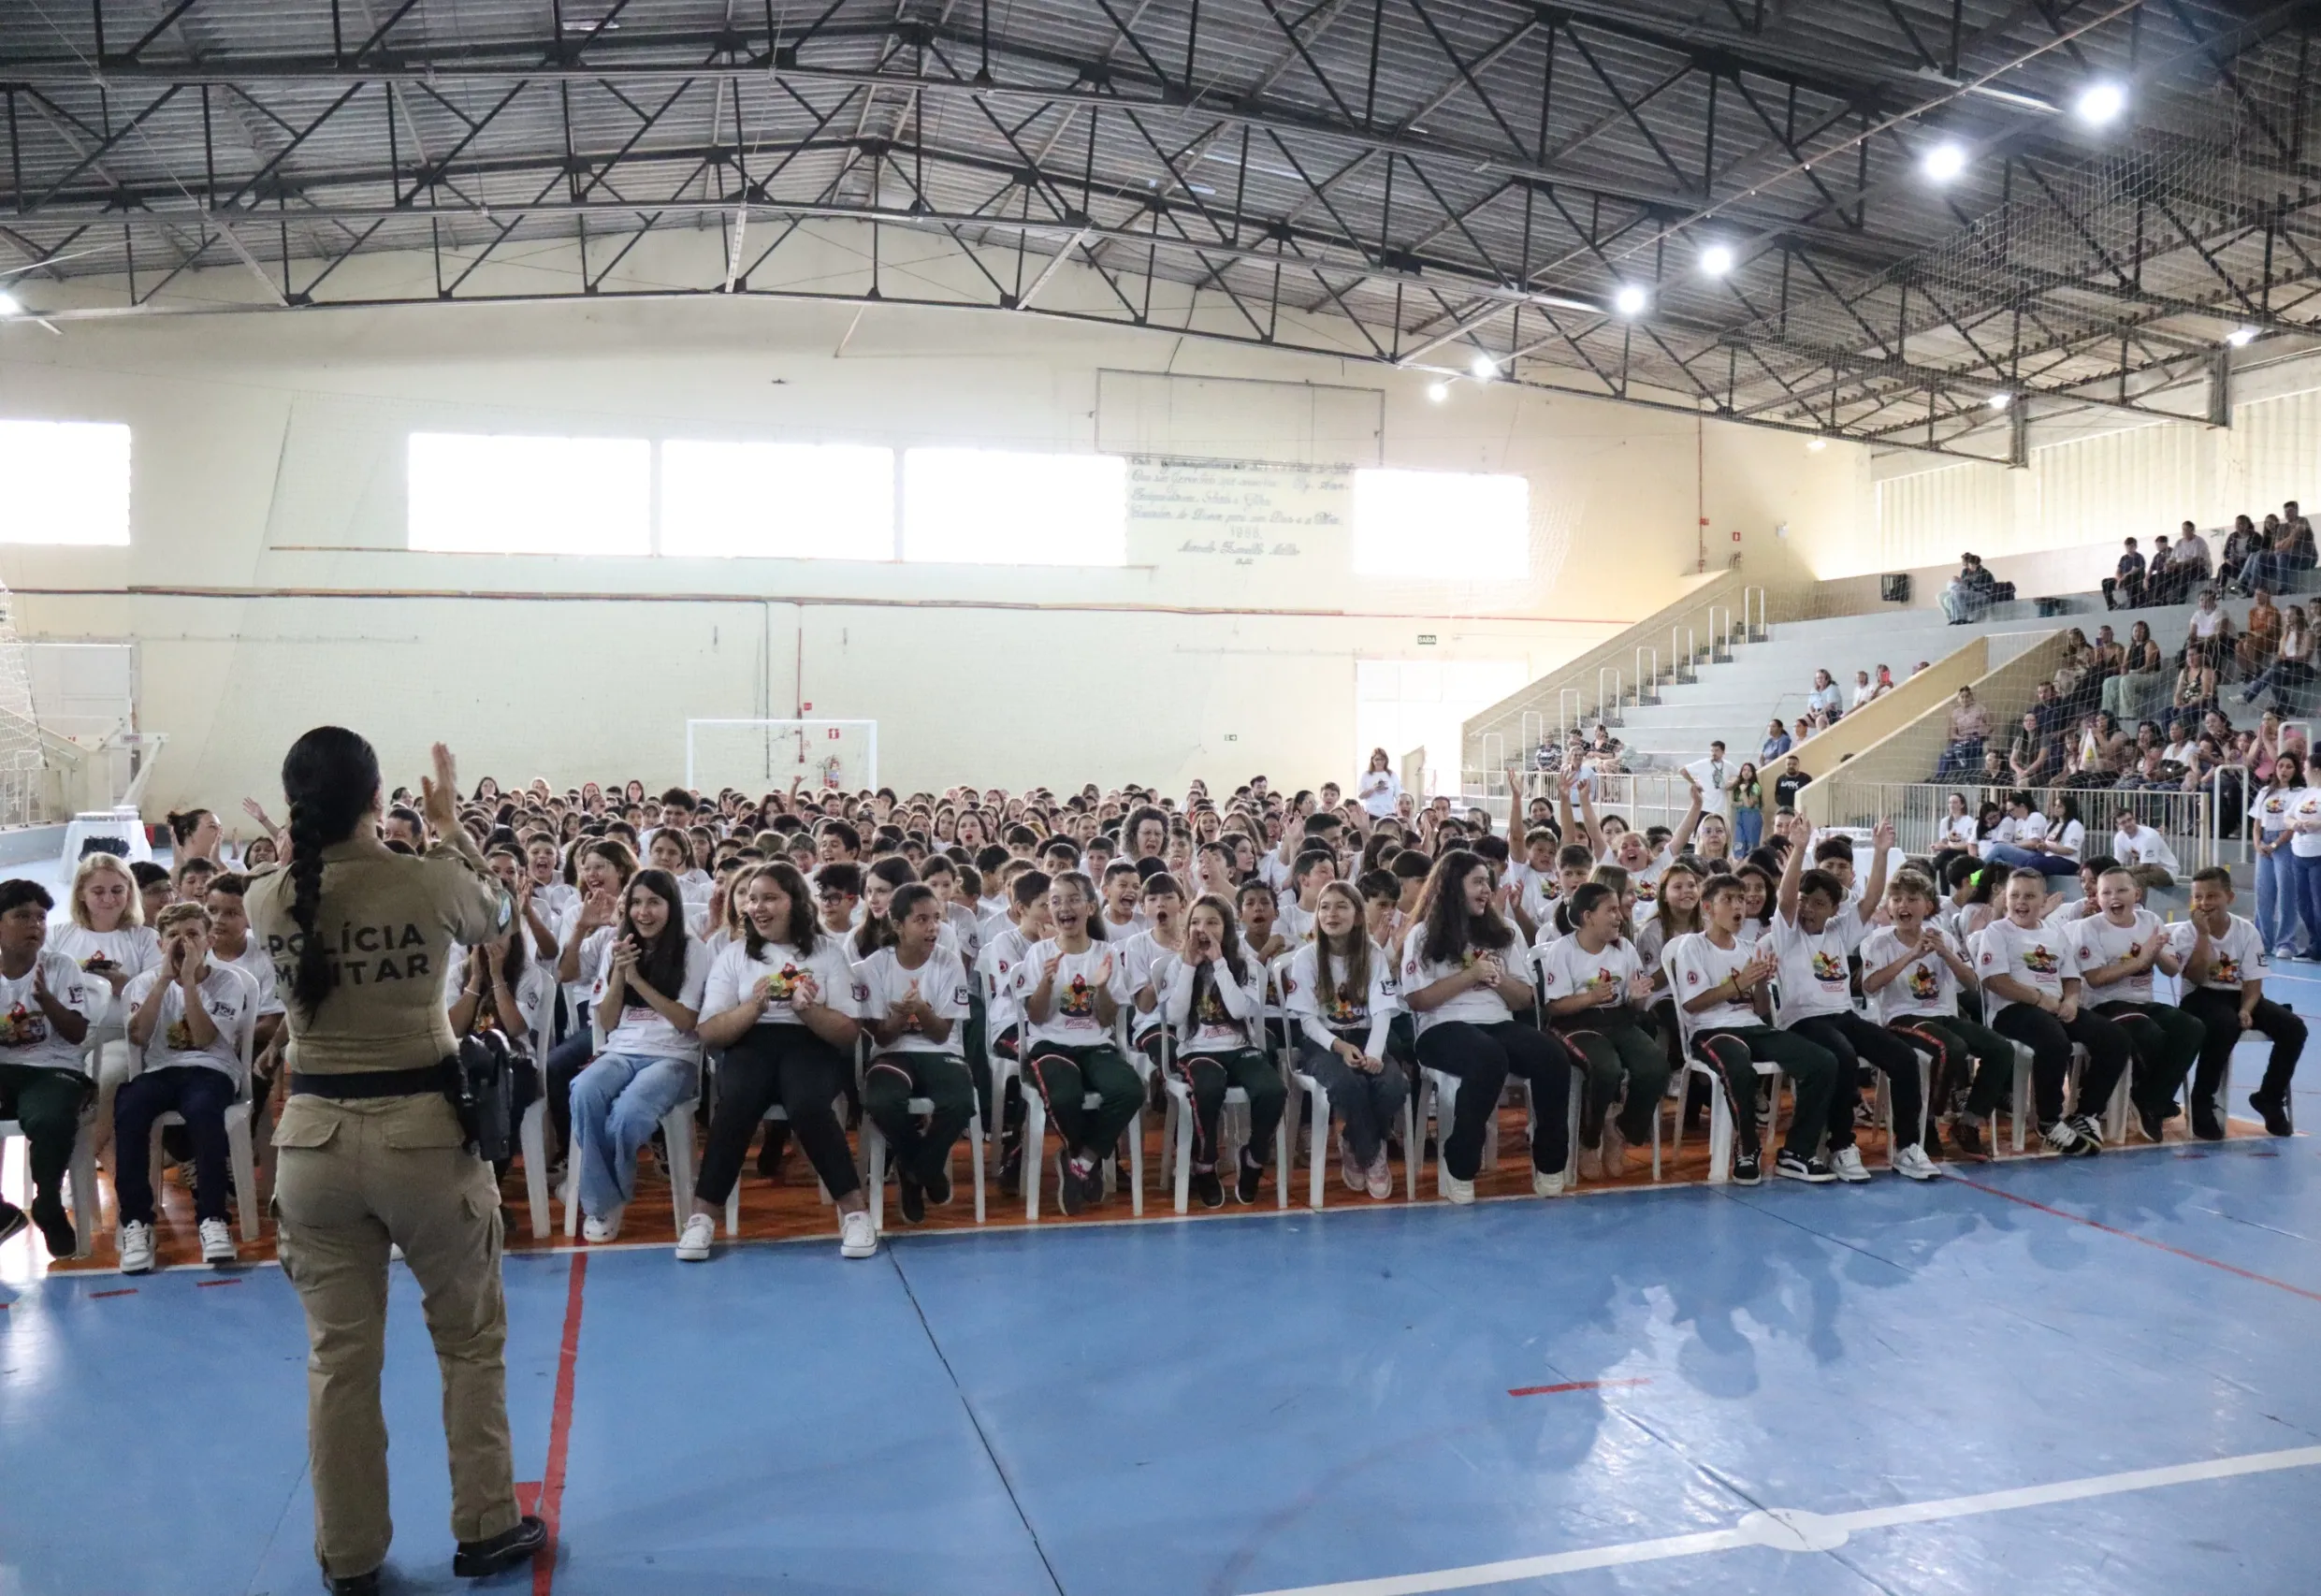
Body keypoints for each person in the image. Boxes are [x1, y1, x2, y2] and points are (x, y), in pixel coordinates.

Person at [243, 733, 544, 1593]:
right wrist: (451, 826)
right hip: (423, 1138)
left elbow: (296, 875)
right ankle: (486, 1525)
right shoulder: (425, 876)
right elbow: (498, 916)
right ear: (380, 797)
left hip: (312, 1145)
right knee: (470, 1340)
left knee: (339, 1360)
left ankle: (349, 1554)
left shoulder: (269, 898)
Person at [685, 862, 873, 1260]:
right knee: (735, 1102)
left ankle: (855, 1214)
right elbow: (710, 1031)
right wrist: (754, 1007)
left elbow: (847, 1031)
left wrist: (808, 1010)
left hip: (811, 1042)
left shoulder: (826, 953)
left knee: (807, 1103)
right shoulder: (734, 955)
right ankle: (701, 1218)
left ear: (795, 903)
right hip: (750, 1042)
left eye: (769, 897)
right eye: (752, 899)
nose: (757, 907)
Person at [1400, 849, 1574, 1203]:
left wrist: (1498, 979)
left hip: (1497, 1021)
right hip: (1442, 1027)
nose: (1486, 890)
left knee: (1552, 1057)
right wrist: (1470, 976)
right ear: (1452, 887)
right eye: (1477, 882)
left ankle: (1550, 1161)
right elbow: (1418, 1000)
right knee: (1488, 1057)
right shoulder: (1422, 934)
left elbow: (1524, 998)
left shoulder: (1505, 930)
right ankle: (1461, 1162)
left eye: (1488, 882)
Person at [1768, 820, 1936, 1181]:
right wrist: (1799, 848)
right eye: (1805, 902)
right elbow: (1784, 899)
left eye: (1819, 903)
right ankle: (1841, 1146)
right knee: (1842, 1057)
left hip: (1843, 1015)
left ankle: (1908, 1147)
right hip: (1803, 1020)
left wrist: (1880, 852)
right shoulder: (1787, 933)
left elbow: (1872, 898)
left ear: (1833, 910)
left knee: (1903, 1058)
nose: (1809, 909)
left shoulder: (1838, 931)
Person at [1664, 873, 1841, 1184]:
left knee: (1823, 1062)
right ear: (1708, 907)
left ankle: (1796, 1152)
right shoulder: (1693, 946)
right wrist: (1738, 983)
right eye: (1728, 899)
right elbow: (1691, 1004)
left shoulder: (1749, 947)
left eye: (1741, 900)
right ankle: (1747, 1146)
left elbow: (1760, 1009)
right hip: (1710, 1031)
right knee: (1739, 1068)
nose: (1738, 906)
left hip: (1752, 1026)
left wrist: (1759, 981)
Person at [112, 902, 261, 1271]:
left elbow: (205, 1037)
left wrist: (191, 981)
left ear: (209, 940)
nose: (183, 943)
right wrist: (164, 980)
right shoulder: (145, 983)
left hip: (211, 1071)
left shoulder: (228, 981)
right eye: (174, 936)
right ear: (161, 944)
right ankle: (137, 1222)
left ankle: (212, 1219)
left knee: (203, 1111)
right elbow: (138, 1036)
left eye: (192, 934)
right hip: (161, 1070)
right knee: (129, 1106)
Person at [567, 869, 710, 1242]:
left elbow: (686, 1021)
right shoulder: (619, 946)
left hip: (673, 1058)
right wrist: (619, 972)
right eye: (636, 903)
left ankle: (600, 1200)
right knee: (583, 1091)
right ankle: (606, 1197)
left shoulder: (692, 950)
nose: (643, 912)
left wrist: (638, 982)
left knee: (627, 1115)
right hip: (621, 1052)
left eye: (653, 903)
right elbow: (608, 1020)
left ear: (671, 906)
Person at [1969, 867, 2132, 1155]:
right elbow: (1995, 980)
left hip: (2055, 1006)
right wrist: (2037, 998)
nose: (2021, 902)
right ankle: (2048, 1120)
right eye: (2015, 895)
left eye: (2030, 896)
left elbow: (2071, 977)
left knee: (2115, 1038)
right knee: (2055, 1041)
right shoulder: (1997, 931)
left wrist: (2070, 1001)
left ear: (2043, 900)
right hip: (2013, 1010)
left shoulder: (2054, 931)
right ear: (2005, 899)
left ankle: (2086, 1113)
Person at [1013, 871, 1142, 1214]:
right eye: (1055, 901)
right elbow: (1037, 1017)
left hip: (1095, 1043)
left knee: (1130, 1090)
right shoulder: (1039, 953)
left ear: (1089, 907)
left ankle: (1080, 1162)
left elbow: (1104, 1019)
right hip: (1050, 1045)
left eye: (1072, 899)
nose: (1063, 908)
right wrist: (1045, 982)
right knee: (1064, 1095)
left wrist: (1101, 987)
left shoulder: (1107, 953)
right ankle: (1090, 1158)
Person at [1862, 871, 2010, 1160]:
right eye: (1897, 899)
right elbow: (1869, 986)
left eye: (1912, 899)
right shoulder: (1878, 942)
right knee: (1951, 1047)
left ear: (1927, 906)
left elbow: (1972, 984)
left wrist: (1946, 954)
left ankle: (1968, 1122)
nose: (1904, 905)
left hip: (1943, 1015)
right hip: (1901, 1018)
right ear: (1888, 907)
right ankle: (1926, 1121)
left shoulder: (1941, 938)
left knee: (2001, 1049)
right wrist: (1910, 956)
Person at [855, 883, 978, 1226]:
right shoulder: (873, 967)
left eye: (936, 919)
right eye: (922, 920)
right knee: (881, 1101)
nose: (933, 928)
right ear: (898, 925)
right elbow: (881, 1035)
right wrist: (899, 1017)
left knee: (959, 1102)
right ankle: (925, 1169)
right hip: (892, 1053)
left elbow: (940, 1034)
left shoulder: (949, 962)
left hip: (940, 1052)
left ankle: (916, 1172)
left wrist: (921, 1009)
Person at [1536, 880, 1668, 1182]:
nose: (1618, 916)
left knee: (1654, 1066)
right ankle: (1590, 1139)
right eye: (1610, 910)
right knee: (1606, 1068)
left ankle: (1621, 1129)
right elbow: (1554, 1007)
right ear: (1587, 916)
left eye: (1618, 909)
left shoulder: (1624, 948)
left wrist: (1637, 996)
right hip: (1576, 1024)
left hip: (1619, 1020)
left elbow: (1636, 1007)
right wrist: (1590, 998)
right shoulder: (1563, 950)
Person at [1159, 892, 1283, 1208]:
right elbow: (1174, 1016)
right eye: (1196, 922)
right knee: (1208, 1088)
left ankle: (1254, 1158)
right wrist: (1189, 967)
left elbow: (1240, 1010)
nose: (1203, 929)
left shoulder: (1246, 966)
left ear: (1227, 929)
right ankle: (1205, 1161)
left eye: (1212, 922)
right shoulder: (1177, 966)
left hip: (1240, 1046)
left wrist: (1220, 965)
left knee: (1272, 1090)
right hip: (1198, 1049)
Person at [1284, 881, 1404, 1200]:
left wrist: (1374, 1053)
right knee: (1348, 1085)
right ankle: (1371, 1153)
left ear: (1359, 916)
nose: (1331, 914)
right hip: (1323, 1043)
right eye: (1325, 907)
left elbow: (1382, 1012)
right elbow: (1307, 1022)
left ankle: (1353, 1141)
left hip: (1367, 1036)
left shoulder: (1373, 954)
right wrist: (1339, 1046)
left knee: (1393, 1084)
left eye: (1341, 906)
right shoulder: (1306, 958)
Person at [0, 879, 100, 1255]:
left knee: (50, 1118)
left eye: (41, 917)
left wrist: (47, 1000)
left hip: (54, 1068)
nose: (35, 925)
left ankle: (48, 1203)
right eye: (22, 916)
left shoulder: (60, 968)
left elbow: (76, 1035)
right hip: (6, 1071)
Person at [2067, 865, 2202, 1143]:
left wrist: (2156, 953)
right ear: (2098, 899)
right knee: (2148, 1033)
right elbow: (2095, 979)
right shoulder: (2089, 928)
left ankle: (2149, 1099)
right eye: (2106, 892)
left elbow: (2173, 969)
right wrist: (2140, 962)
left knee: (2192, 1027)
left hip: (2143, 1002)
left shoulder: (2150, 920)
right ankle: (2153, 1099)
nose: (2114, 897)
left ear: (2136, 894)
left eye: (2121, 890)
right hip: (2105, 1004)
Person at [48, 852, 162, 1162]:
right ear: (82, 894)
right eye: (98, 891)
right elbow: (37, 985)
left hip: (121, 1037)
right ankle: (78, 1165)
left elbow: (160, 996)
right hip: (66, 1038)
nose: (108, 899)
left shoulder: (145, 939)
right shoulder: (59, 936)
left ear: (129, 893)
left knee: (106, 1078)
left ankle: (77, 1167)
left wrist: (124, 983)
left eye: (117, 890)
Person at [2170, 867, 2299, 1139]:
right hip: (2201, 996)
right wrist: (2203, 935)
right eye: (2198, 897)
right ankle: (2202, 1100)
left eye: (2212, 896)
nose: (2204, 903)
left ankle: (2269, 1098)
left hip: (2239, 995)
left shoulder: (2246, 931)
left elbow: (2253, 982)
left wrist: (2246, 1008)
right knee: (2224, 1025)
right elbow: (2196, 975)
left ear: (2229, 897)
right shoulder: (2185, 932)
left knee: (2293, 1028)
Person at [1933, 687, 1991, 781]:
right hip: (1961, 740)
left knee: (1959, 748)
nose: (1964, 699)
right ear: (1958, 699)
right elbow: (1952, 734)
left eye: (1967, 696)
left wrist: (1981, 733)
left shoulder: (1980, 708)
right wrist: (1961, 738)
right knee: (1946, 754)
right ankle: (1940, 779)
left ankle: (1966, 777)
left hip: (1975, 740)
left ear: (1971, 697)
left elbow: (1991, 726)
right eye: (1962, 697)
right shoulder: (1955, 713)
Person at [1356, 748, 1401, 820]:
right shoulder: (1366, 775)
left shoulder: (1392, 775)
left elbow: (1398, 796)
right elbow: (1361, 796)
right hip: (1371, 813)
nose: (1379, 762)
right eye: (1377, 759)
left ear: (1386, 760)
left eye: (1382, 759)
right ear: (1372, 760)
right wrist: (1373, 789)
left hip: (1389, 813)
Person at [2102, 537, 2146, 609]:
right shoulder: (2123, 558)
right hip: (2123, 579)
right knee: (2105, 582)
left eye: (2131, 546)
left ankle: (2133, 603)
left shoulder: (2139, 557)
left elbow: (2133, 571)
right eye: (2127, 547)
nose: (2129, 548)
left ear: (2135, 547)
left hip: (2134, 579)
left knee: (2129, 578)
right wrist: (2118, 579)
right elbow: (2118, 571)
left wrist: (2121, 580)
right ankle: (2112, 604)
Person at [1729, 763, 1763, 853]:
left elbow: (1749, 805)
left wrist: (1743, 791)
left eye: (1749, 770)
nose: (1746, 772)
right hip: (1740, 816)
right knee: (1739, 841)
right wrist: (1742, 803)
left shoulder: (1755, 786)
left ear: (1753, 773)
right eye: (1744, 770)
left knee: (1751, 845)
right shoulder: (1737, 786)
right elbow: (1732, 804)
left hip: (1752, 816)